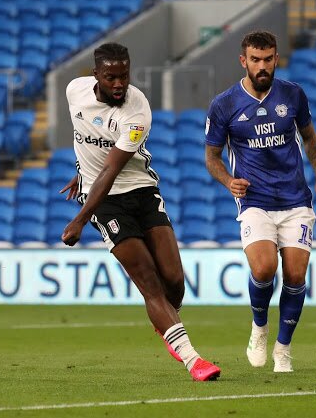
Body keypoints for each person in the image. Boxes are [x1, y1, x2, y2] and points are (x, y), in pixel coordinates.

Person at [60, 42, 220, 382]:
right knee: (148, 280)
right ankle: (194, 361)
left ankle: (166, 322)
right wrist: (81, 177)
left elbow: (111, 169)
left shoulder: (137, 109)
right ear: (96, 76)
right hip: (104, 202)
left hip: (142, 191)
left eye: (124, 76)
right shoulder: (74, 91)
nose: (120, 84)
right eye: (111, 77)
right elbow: (86, 140)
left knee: (174, 281)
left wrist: (78, 218)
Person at [204, 30, 316, 373]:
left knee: (295, 275)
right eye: (255, 60)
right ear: (243, 61)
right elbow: (212, 157)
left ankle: (283, 349)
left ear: (276, 59)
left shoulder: (292, 94)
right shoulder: (225, 104)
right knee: (263, 268)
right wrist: (228, 180)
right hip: (254, 200)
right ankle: (259, 329)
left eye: (268, 59)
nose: (262, 66)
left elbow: (310, 138)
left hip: (295, 198)